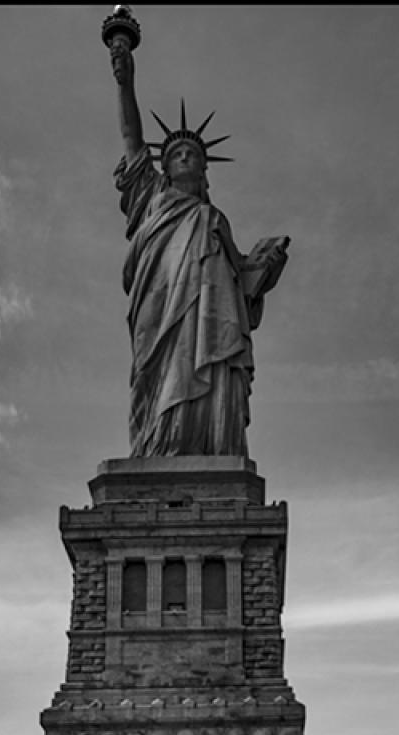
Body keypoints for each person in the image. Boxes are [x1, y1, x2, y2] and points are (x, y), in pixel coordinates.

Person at [109, 28, 290, 457]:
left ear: (205, 172)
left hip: (211, 318)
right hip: (160, 311)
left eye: (194, 154)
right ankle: (159, 446)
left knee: (213, 365)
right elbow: (133, 140)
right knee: (157, 378)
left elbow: (240, 286)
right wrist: (125, 80)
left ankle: (209, 445)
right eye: (176, 154)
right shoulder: (152, 199)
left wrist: (263, 269)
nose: (186, 157)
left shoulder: (214, 220)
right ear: (165, 169)